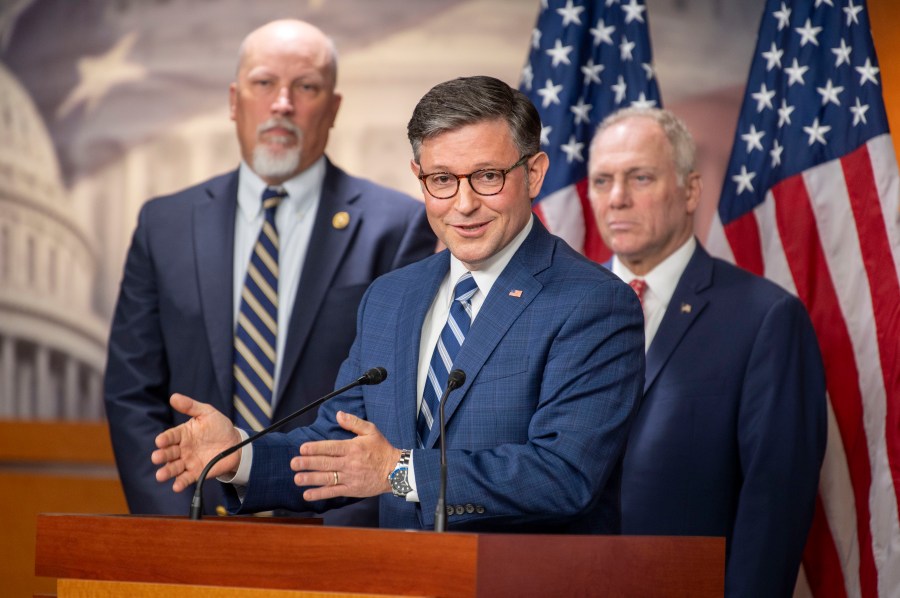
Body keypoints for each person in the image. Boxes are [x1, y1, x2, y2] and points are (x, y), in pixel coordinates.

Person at [151, 75, 645, 533]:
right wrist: (238, 457)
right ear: (419, 176)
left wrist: (400, 473)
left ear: (533, 174)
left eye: (487, 176)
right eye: (442, 179)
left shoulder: (594, 304)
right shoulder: (392, 297)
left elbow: (563, 475)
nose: (464, 202)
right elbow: (343, 447)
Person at [103, 19, 436, 524]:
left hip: (334, 535)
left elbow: (394, 400)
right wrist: (175, 524)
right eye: (264, 84)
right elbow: (133, 392)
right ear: (235, 101)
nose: (283, 103)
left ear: (333, 108)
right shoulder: (164, 224)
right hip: (194, 525)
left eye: (305, 86)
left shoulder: (400, 226)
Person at [588, 107, 827, 595]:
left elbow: (774, 506)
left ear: (690, 190)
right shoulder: (555, 310)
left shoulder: (766, 319)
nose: (617, 198)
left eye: (640, 177)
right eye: (602, 180)